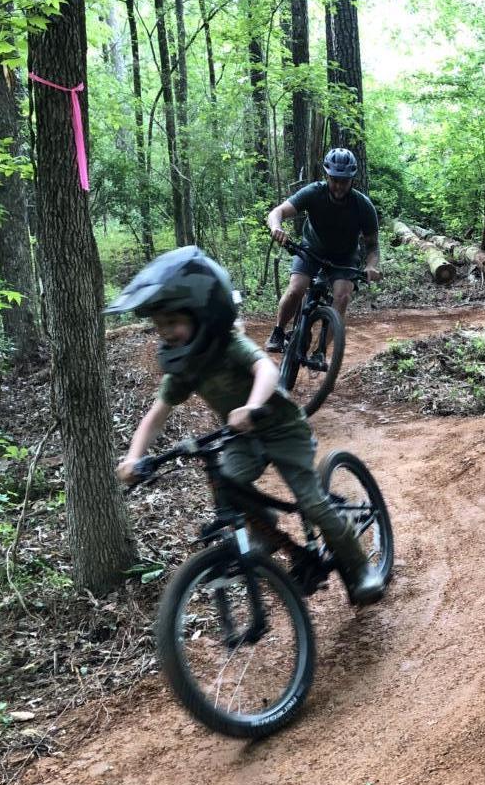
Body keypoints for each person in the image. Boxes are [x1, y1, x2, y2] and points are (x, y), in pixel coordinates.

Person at [104, 245, 384, 606]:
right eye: (160, 326)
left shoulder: (229, 344)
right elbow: (156, 414)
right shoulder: (185, 366)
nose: (166, 332)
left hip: (281, 427)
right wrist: (134, 457)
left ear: (201, 315)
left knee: (313, 504)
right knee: (229, 482)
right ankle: (264, 526)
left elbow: (266, 369)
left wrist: (252, 406)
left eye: (173, 322)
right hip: (238, 437)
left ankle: (360, 568)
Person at [264, 147, 381, 353]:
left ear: (352, 179)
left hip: (344, 257)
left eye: (344, 181)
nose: (338, 186)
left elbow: (372, 245)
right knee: (296, 289)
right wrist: (276, 227)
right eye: (334, 179)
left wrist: (371, 266)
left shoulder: (363, 206)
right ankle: (279, 331)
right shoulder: (314, 192)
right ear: (327, 175)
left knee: (343, 296)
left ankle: (321, 352)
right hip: (311, 249)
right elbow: (278, 212)